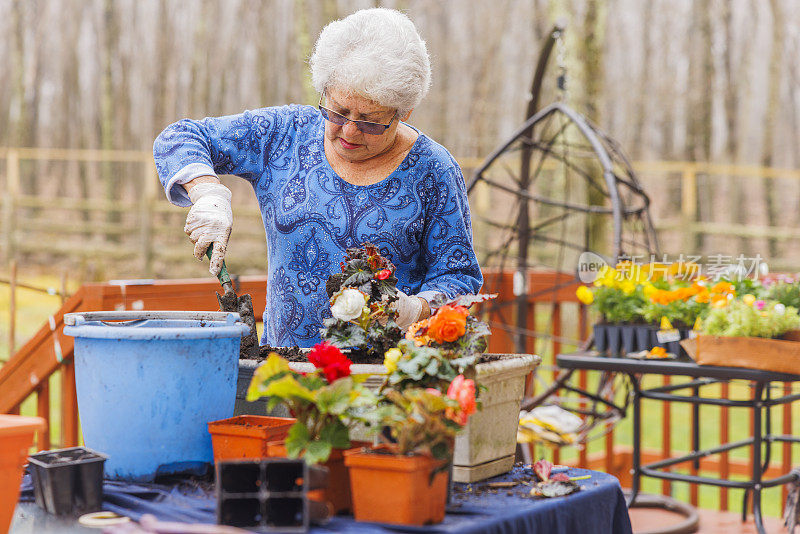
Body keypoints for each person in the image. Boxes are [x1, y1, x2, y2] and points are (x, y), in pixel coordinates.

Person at [153, 7, 482, 348]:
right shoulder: (284, 136)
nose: (350, 131)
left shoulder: (434, 169)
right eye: (339, 111)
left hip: (385, 381)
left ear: (403, 112)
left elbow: (459, 277)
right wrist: (207, 192)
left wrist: (417, 308)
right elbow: (179, 137)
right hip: (285, 371)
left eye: (370, 121)